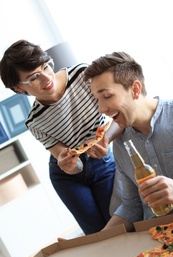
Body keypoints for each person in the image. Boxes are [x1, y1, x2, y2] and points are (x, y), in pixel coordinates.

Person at [0, 40, 123, 235]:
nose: (46, 78)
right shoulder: (35, 122)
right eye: (34, 77)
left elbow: (120, 113)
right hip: (67, 176)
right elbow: (71, 164)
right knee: (95, 233)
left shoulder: (83, 75)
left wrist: (105, 139)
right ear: (19, 89)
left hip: (102, 159)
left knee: (118, 223)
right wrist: (70, 166)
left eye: (46, 67)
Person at [84, 51, 173, 232]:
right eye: (97, 100)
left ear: (135, 89)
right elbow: (132, 206)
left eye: (107, 96)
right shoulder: (121, 145)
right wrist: (95, 242)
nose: (101, 109)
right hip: (157, 237)